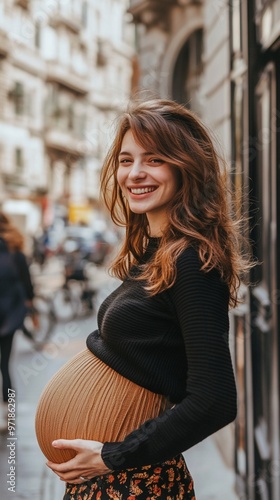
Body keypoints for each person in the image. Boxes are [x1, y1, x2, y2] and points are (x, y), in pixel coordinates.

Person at [36, 98, 249, 499]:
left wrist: (114, 456)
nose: (134, 173)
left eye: (153, 160)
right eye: (126, 159)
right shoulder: (158, 251)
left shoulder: (191, 261)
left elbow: (216, 400)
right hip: (111, 478)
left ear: (186, 166)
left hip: (132, 481)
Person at [0, 212, 34, 431]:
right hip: (10, 315)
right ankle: (8, 415)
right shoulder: (15, 250)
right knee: (5, 365)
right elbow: (28, 285)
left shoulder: (13, 250)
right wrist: (32, 310)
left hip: (8, 314)